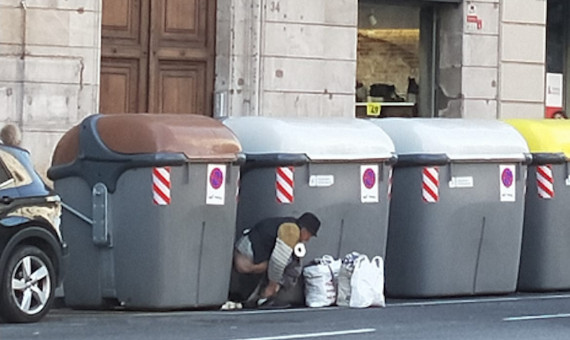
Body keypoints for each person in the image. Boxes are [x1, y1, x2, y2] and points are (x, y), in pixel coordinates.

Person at [233, 212, 321, 306]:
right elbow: (277, 262)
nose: (307, 240)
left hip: (244, 250)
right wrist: (272, 286)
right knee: (290, 263)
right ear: (305, 230)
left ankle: (257, 298)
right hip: (246, 258)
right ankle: (265, 296)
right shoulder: (292, 231)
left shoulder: (286, 223)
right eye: (309, 236)